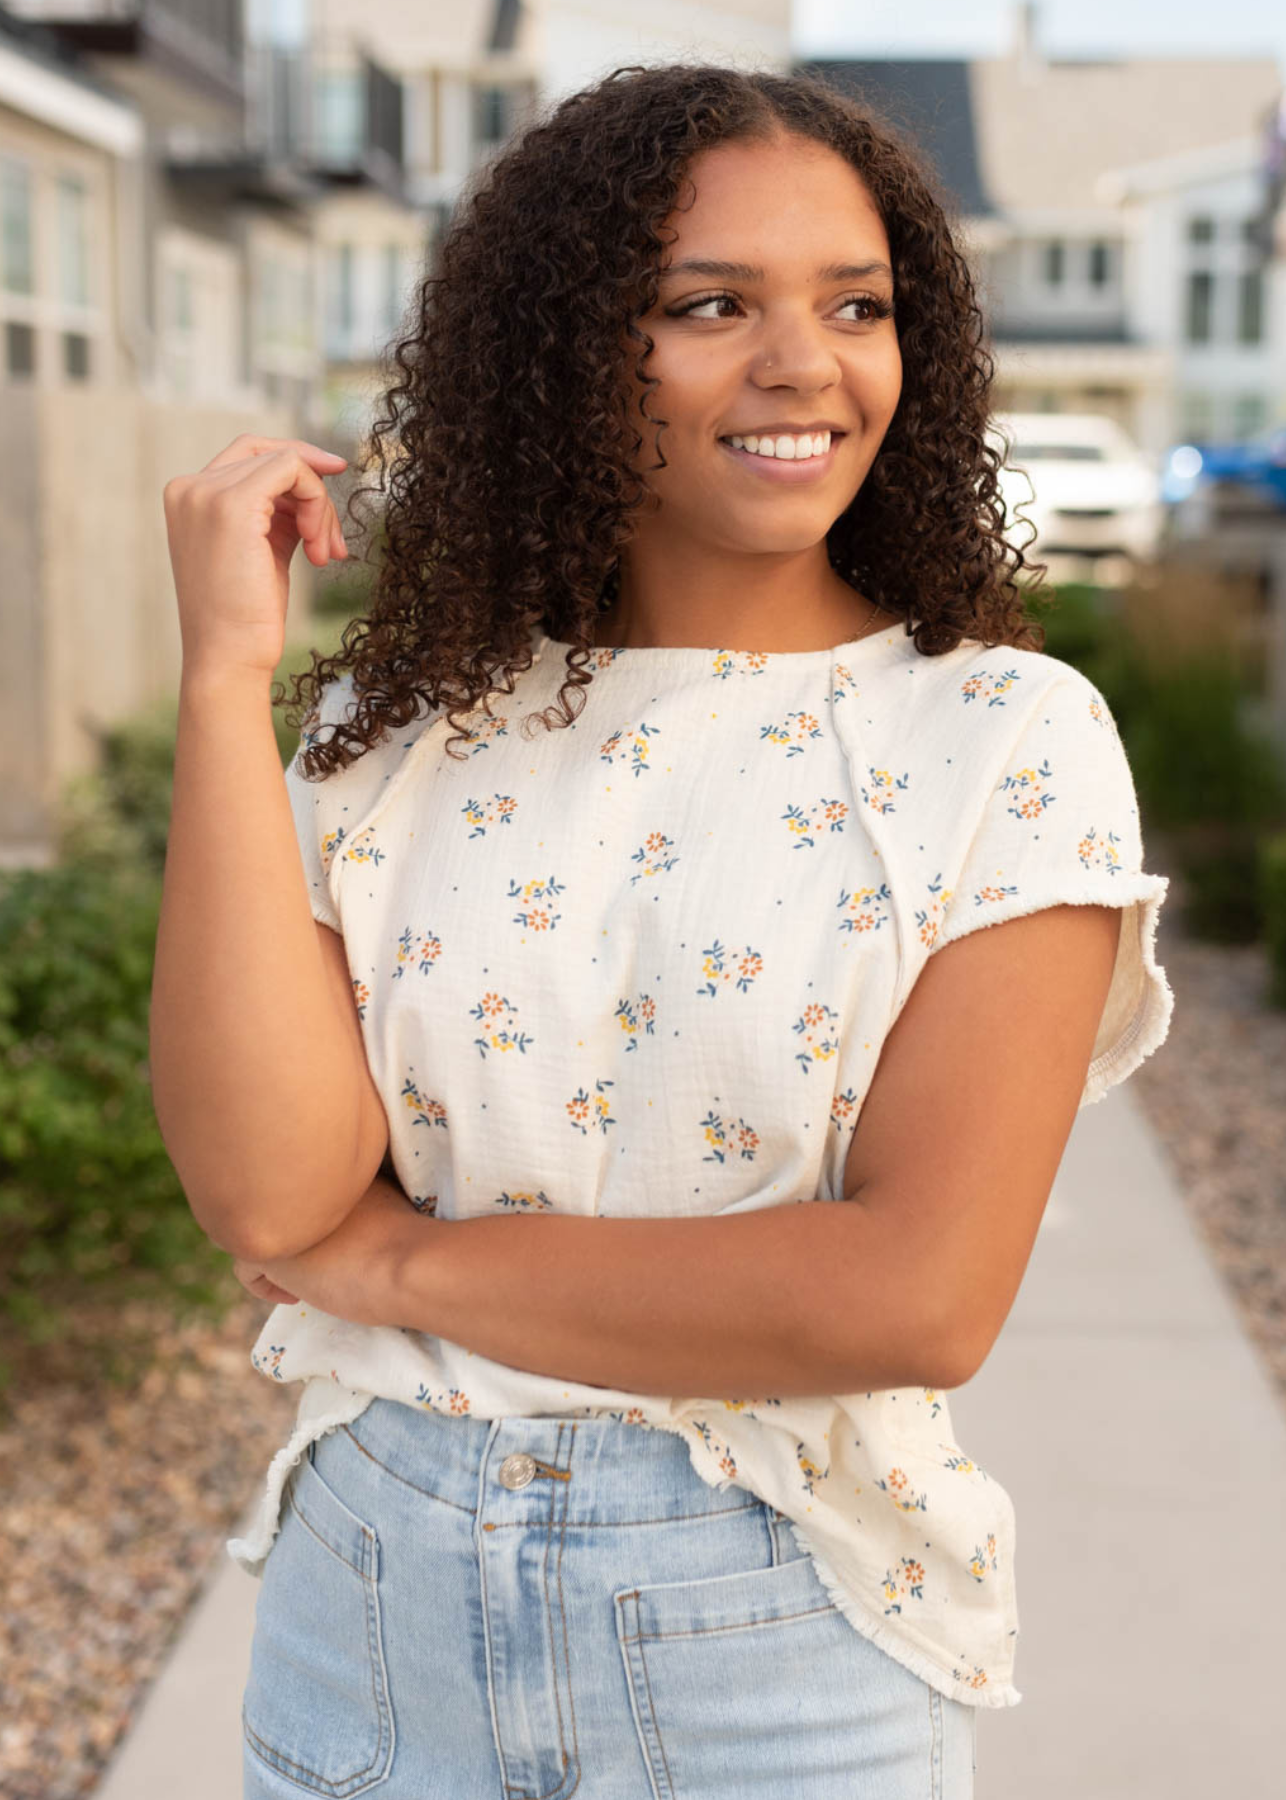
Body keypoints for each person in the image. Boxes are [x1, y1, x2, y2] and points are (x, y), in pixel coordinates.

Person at [150, 62, 1173, 1799]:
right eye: (709, 306)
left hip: (773, 1621)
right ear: (557, 349)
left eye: (857, 306)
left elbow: (911, 1296)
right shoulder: (399, 732)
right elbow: (266, 1197)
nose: (804, 365)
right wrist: (225, 675)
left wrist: (396, 1268)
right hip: (371, 1598)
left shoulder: (999, 735)